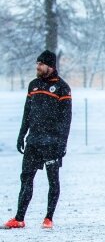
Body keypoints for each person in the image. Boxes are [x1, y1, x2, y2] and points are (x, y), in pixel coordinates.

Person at [3, 50, 72, 230]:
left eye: (41, 64)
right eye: (37, 63)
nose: (38, 67)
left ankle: (48, 218)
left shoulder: (62, 88)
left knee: (53, 180)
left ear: (50, 66)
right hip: (33, 141)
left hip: (52, 143)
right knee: (26, 179)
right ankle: (19, 218)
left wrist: (62, 143)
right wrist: (21, 135)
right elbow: (27, 112)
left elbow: (66, 120)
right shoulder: (33, 85)